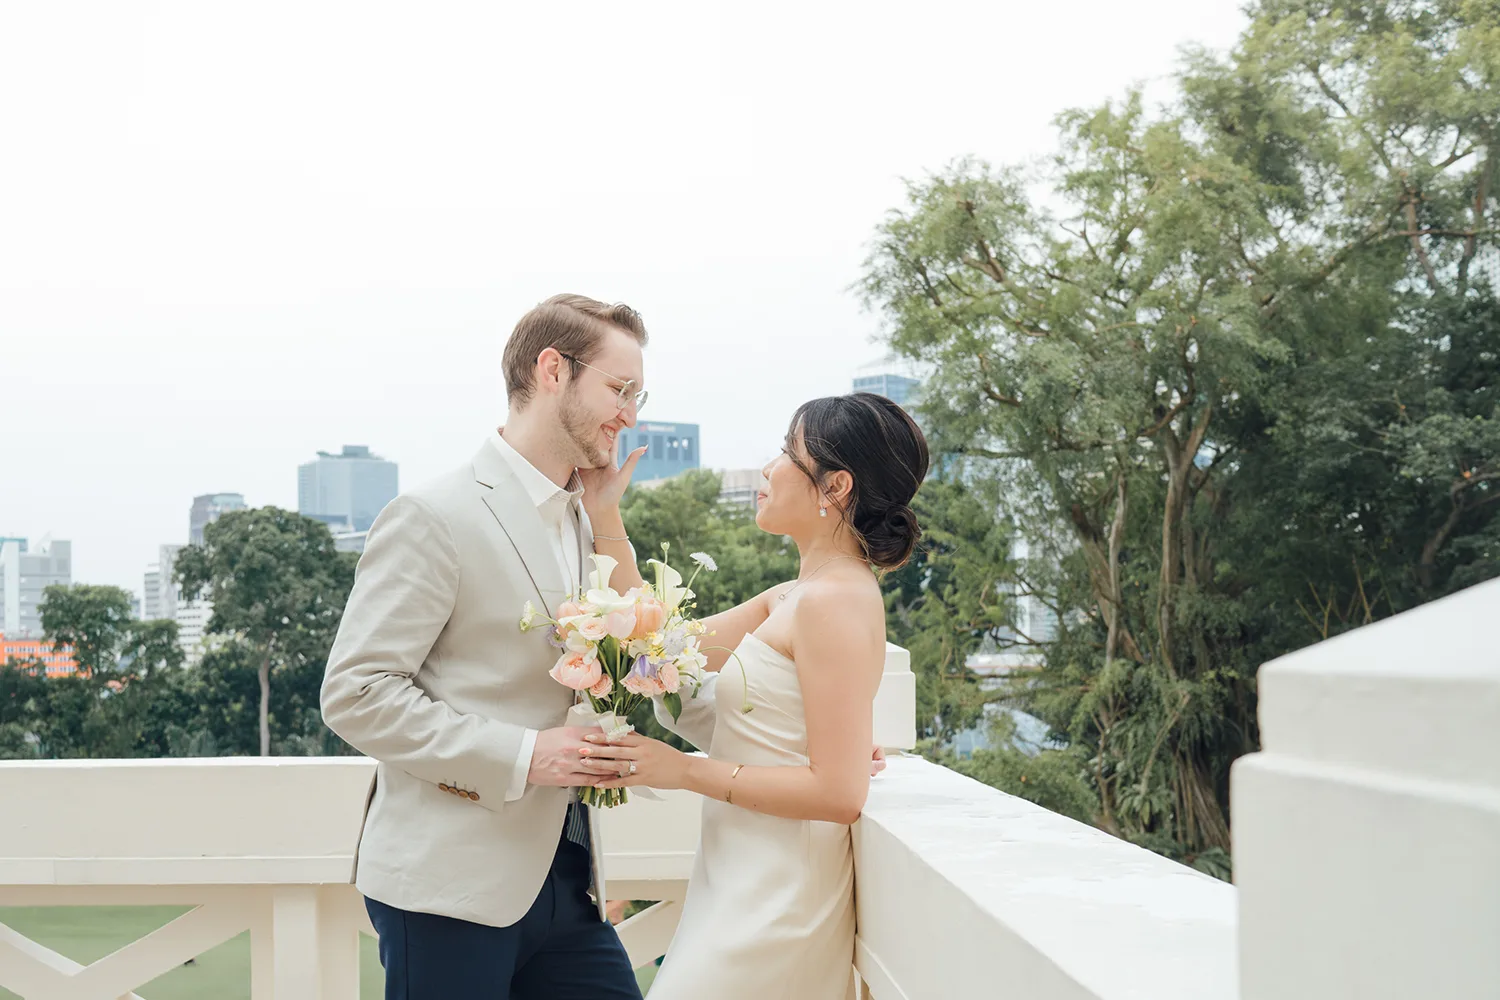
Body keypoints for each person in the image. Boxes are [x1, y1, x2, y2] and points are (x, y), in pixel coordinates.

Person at [319, 293, 652, 1000]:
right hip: (448, 891)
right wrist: (527, 755)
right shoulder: (434, 515)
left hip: (569, 886)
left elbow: (644, 657)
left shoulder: (590, 518)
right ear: (553, 370)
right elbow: (355, 693)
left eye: (638, 395)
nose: (631, 413)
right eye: (620, 390)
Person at [578, 391, 929, 1000]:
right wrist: (606, 516)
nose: (767, 470)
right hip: (736, 876)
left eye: (785, 453)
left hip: (778, 897)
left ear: (835, 485)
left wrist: (683, 769)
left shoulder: (834, 603)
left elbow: (840, 793)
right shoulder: (793, 595)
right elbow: (658, 647)